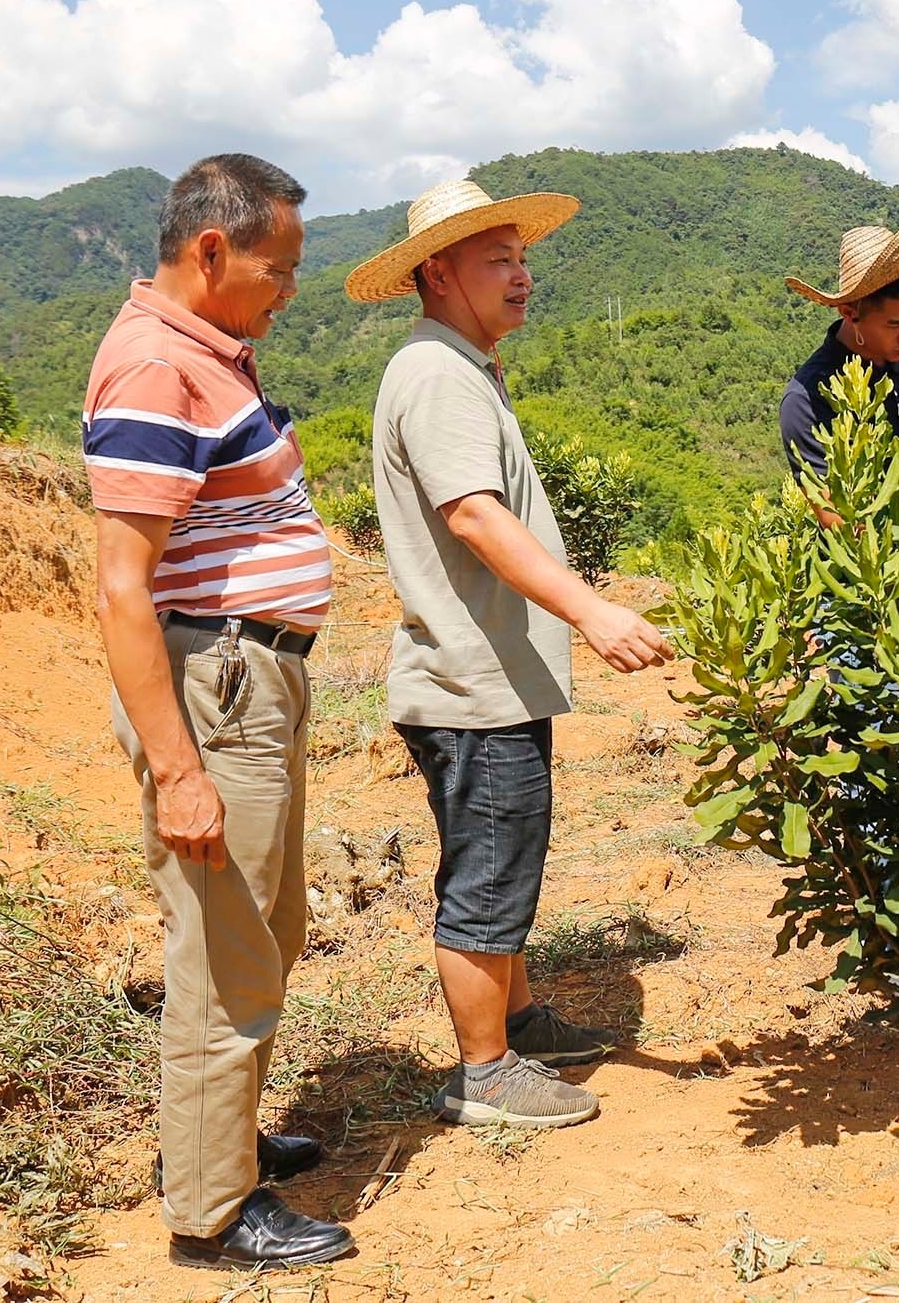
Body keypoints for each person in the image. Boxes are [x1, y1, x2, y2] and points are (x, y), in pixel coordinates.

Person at [348, 177, 675, 1132]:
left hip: (487, 671)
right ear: (438, 273)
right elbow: (475, 515)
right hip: (471, 679)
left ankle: (518, 1019)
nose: (522, 275)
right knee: (489, 869)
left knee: (503, 852)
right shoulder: (440, 374)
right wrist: (592, 612)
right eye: (499, 260)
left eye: (522, 257)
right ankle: (484, 1072)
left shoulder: (456, 363)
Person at [85, 154, 353, 1270]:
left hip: (252, 682)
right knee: (221, 951)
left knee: (264, 926)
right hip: (219, 688)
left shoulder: (205, 357)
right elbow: (119, 585)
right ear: (211, 251)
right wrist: (180, 768)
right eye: (276, 268)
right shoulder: (155, 367)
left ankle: (221, 1140)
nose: (286, 290)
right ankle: (209, 1209)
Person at [779, 210, 899, 518]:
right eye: (895, 324)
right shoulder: (807, 401)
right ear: (849, 313)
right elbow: (841, 524)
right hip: (873, 563)